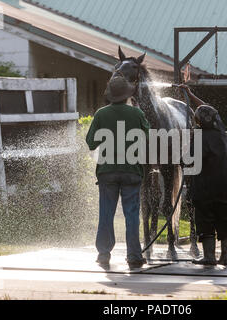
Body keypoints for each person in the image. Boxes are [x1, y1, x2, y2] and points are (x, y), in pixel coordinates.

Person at [86, 75, 150, 269]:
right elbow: (148, 138)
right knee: (131, 214)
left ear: (110, 95)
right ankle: (134, 256)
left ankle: (104, 254)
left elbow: (91, 142)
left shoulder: (101, 114)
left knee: (106, 213)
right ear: (127, 95)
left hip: (107, 171)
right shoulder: (136, 114)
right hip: (131, 170)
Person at [179, 85, 227, 266]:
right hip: (224, 186)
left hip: (204, 189)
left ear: (198, 122)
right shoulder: (220, 131)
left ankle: (209, 257)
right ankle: (226, 257)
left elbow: (189, 160)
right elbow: (212, 111)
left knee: (205, 220)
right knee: (223, 220)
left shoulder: (200, 137)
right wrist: (191, 95)